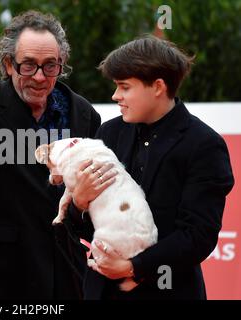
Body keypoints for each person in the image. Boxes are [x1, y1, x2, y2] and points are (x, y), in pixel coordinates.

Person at [0, 10, 114, 299]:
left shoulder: (83, 113)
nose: (39, 77)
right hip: (0, 271)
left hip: (63, 269)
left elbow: (93, 197)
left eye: (50, 66)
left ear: (61, 64)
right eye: (28, 66)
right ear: (8, 64)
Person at [69, 35, 234, 299]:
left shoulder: (204, 144)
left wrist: (133, 267)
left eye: (124, 87)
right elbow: (89, 228)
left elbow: (198, 235)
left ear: (158, 87)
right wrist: (78, 204)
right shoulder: (109, 134)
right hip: (102, 293)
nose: (115, 96)